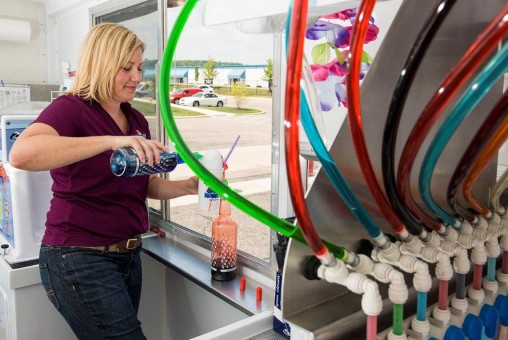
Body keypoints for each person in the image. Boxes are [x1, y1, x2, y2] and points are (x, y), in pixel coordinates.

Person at [9, 23, 198, 339]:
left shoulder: (136, 119)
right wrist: (109, 141)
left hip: (128, 256)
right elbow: (21, 154)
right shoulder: (72, 109)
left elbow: (144, 185)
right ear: (102, 64)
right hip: (78, 256)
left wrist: (188, 187)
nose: (137, 77)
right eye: (127, 68)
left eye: (139, 67)